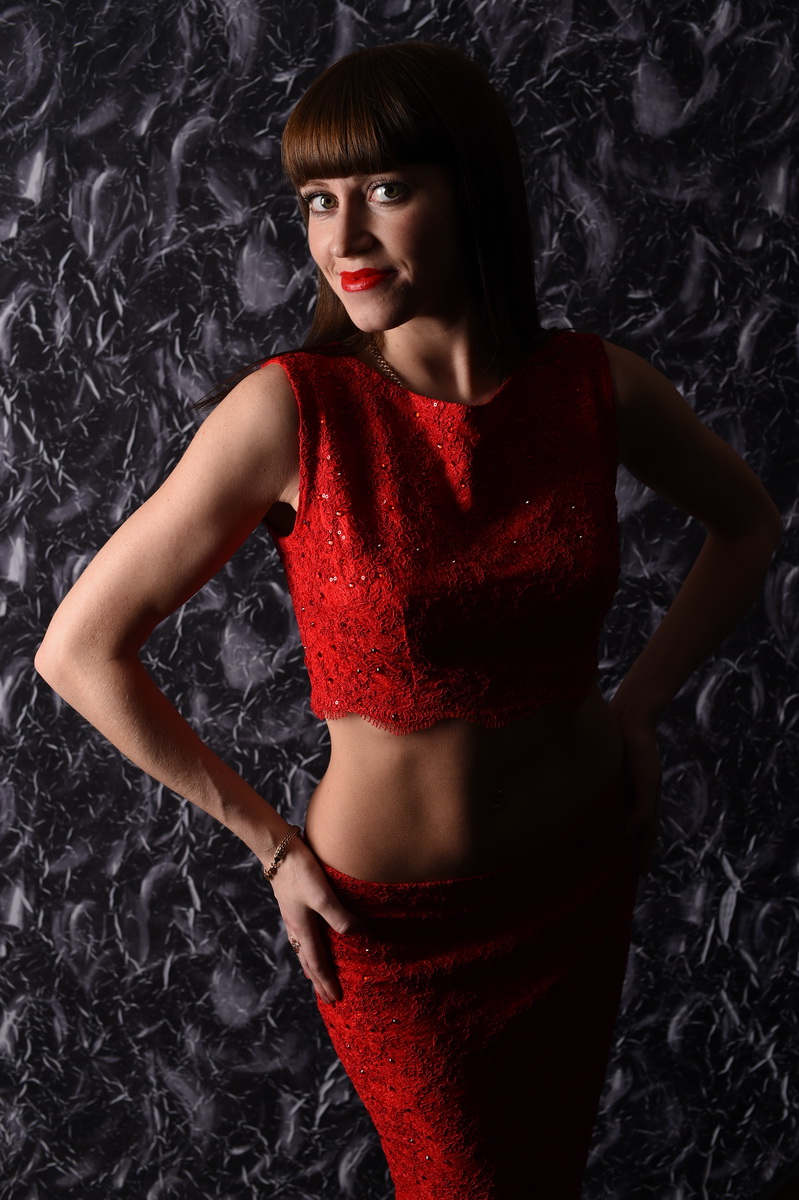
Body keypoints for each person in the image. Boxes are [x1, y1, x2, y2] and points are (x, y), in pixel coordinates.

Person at [35, 40, 781, 1200]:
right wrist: (272, 846)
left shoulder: (595, 386)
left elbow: (748, 524)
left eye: (385, 189)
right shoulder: (292, 411)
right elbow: (79, 652)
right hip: (399, 937)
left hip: (579, 877)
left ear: (469, 191)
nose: (344, 236)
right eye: (316, 201)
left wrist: (638, 709)